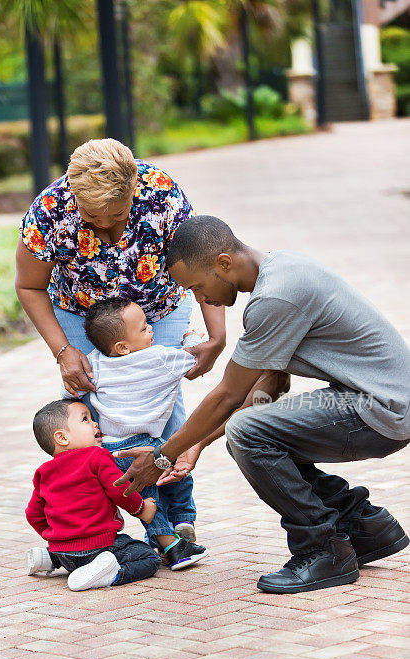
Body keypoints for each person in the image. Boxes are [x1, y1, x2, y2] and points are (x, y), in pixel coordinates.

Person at [112, 216, 410, 594]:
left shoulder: (275, 297)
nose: (201, 300)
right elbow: (270, 382)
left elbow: (228, 395)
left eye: (198, 288)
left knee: (246, 430)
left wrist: (161, 457)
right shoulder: (282, 268)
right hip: (375, 400)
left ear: (223, 263)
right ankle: (364, 527)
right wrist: (195, 444)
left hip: (381, 409)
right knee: (254, 428)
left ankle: (323, 549)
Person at [15, 138, 226, 447]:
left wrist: (217, 337)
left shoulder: (160, 194)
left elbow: (202, 262)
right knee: (90, 411)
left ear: (133, 189)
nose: (103, 224)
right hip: (80, 313)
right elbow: (29, 285)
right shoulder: (49, 211)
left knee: (160, 397)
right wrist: (63, 351)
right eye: (91, 216)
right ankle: (104, 494)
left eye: (116, 215)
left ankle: (175, 494)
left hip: (158, 308)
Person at [66, 297, 208, 570]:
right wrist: (191, 337)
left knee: (146, 499)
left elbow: (70, 391)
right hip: (146, 444)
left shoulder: (94, 364)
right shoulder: (161, 358)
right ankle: (178, 534)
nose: (151, 329)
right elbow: (195, 359)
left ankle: (171, 536)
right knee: (176, 474)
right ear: (122, 347)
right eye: (143, 328)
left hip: (111, 449)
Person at [25, 399, 161, 591]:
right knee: (148, 557)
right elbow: (119, 489)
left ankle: (49, 558)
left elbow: (33, 514)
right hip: (98, 548)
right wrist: (142, 509)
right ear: (62, 437)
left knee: (69, 553)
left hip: (64, 552)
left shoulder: (43, 472)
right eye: (85, 419)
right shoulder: (96, 457)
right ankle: (110, 575)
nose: (95, 423)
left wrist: (56, 539)